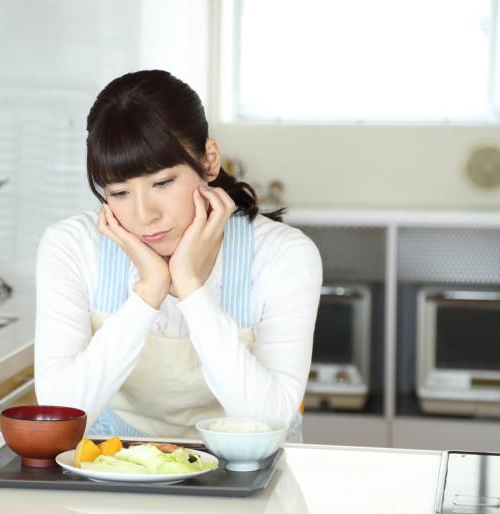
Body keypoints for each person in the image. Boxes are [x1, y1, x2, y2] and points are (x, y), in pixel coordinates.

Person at [34, 70, 322, 442]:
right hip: (115, 468)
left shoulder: (283, 256)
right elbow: (60, 418)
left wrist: (188, 286)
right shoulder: (71, 248)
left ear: (209, 161)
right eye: (119, 193)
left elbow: (269, 423)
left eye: (162, 183)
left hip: (250, 475)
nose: (144, 215)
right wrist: (150, 289)